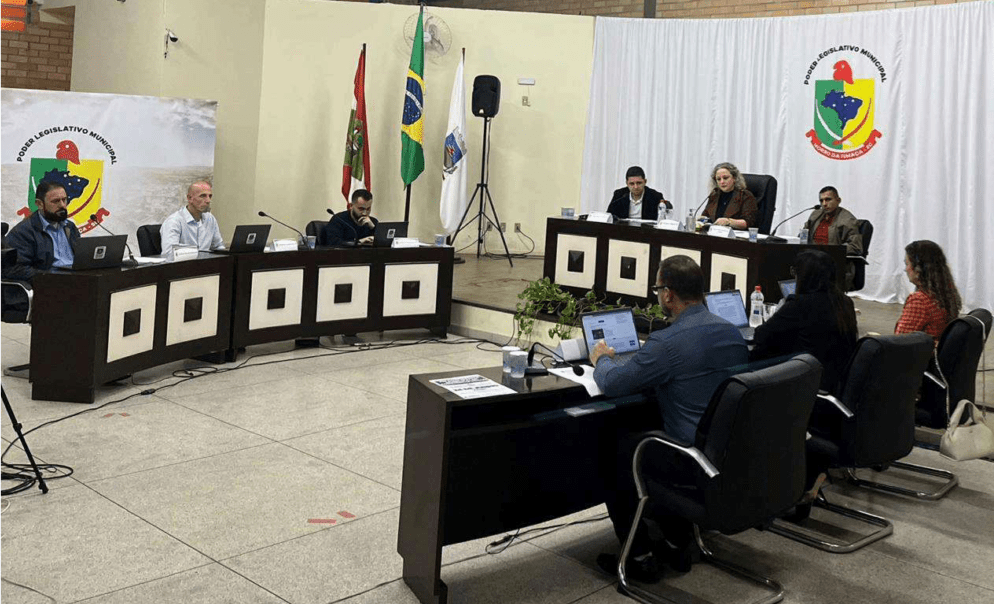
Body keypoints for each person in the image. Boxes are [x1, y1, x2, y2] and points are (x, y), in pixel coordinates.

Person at [591, 255, 748, 581]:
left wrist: (602, 359)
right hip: (727, 454)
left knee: (611, 452)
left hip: (689, 458)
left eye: (658, 289)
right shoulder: (731, 332)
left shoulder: (667, 342)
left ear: (668, 294)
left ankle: (639, 556)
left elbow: (614, 384)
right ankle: (677, 542)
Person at [750, 249, 858, 394]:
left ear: (803, 276)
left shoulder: (799, 304)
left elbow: (760, 336)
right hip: (835, 381)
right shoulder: (845, 303)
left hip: (804, 384)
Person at [3, 180, 80, 282]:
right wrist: (50, 278)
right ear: (39, 204)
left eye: (64, 200)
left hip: (77, 278)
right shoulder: (24, 231)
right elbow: (15, 269)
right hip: (49, 283)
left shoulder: (70, 227)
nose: (62, 205)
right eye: (56, 201)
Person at [896, 240, 961, 345]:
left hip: (920, 353)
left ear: (918, 270)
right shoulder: (946, 294)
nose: (906, 269)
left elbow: (899, 342)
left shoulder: (919, 300)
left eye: (907, 264)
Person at [803, 186, 864, 289]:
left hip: (834, 265)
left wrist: (829, 251)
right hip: (813, 262)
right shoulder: (815, 215)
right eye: (821, 200)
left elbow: (855, 247)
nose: (824, 204)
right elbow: (803, 236)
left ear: (838, 200)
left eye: (828, 199)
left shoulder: (848, 220)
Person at [160, 181, 225, 256]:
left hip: (206, 262)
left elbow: (218, 246)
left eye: (210, 196)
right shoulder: (174, 221)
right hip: (185, 263)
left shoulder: (210, 219)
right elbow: (169, 253)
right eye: (203, 196)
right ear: (189, 198)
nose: (208, 201)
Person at [701, 162, 758, 229]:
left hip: (735, 234)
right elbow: (706, 216)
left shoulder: (745, 196)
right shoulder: (714, 195)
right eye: (718, 179)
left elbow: (749, 223)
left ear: (734, 178)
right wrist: (700, 219)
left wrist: (729, 222)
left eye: (725, 178)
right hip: (714, 233)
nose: (722, 182)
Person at [606, 166, 672, 222]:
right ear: (627, 183)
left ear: (645, 182)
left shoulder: (655, 196)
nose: (636, 187)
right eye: (632, 184)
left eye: (639, 183)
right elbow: (609, 216)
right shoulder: (619, 195)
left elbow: (662, 220)